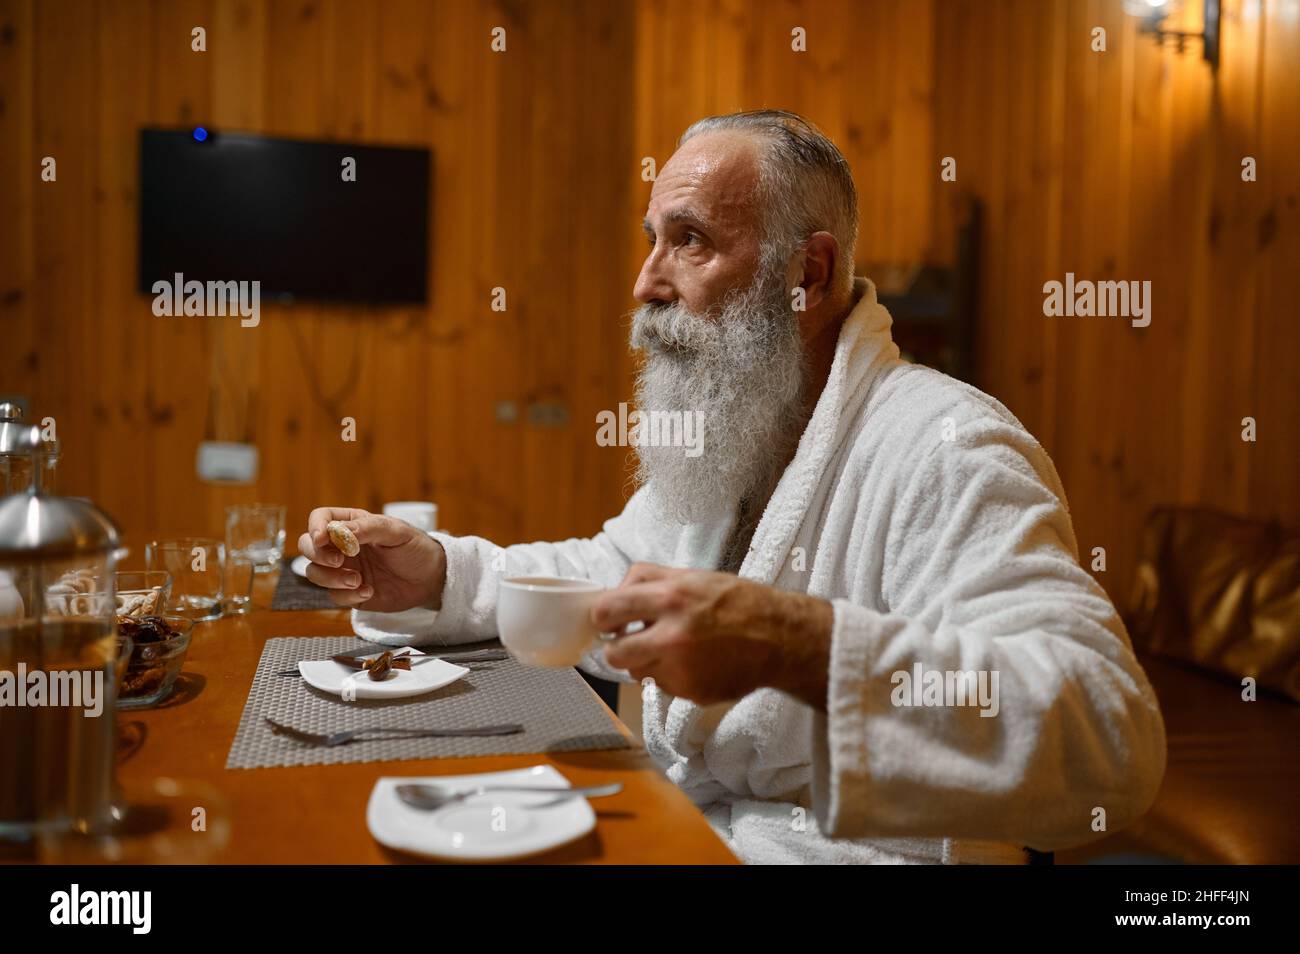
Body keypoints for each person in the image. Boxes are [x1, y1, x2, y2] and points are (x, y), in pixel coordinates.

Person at [299, 110, 1166, 864]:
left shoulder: (948, 448)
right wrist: (443, 574)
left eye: (691, 241)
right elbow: (617, 574)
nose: (646, 284)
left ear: (808, 275)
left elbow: (1109, 737)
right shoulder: (738, 429)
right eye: (651, 240)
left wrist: (799, 644)